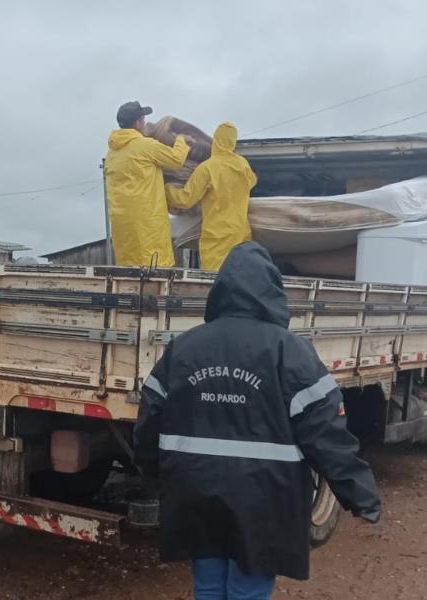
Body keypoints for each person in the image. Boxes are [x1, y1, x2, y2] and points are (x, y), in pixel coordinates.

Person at [133, 241, 380, 600]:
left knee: (208, 583)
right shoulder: (290, 352)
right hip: (265, 497)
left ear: (220, 292)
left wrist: (151, 469)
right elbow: (324, 432)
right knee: (248, 589)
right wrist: (360, 495)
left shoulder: (183, 348)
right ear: (271, 292)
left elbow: (149, 416)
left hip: (196, 488)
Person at [105, 101, 190, 267]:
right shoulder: (145, 146)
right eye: (143, 119)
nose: (144, 123)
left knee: (129, 273)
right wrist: (181, 140)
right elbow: (176, 160)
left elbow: (139, 185)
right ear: (137, 123)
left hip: (123, 226)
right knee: (156, 269)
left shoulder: (112, 154)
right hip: (147, 224)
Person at [165, 122, 256, 271]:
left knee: (215, 282)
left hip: (216, 238)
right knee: (239, 278)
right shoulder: (242, 165)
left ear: (215, 140)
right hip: (241, 234)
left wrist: (167, 188)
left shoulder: (207, 168)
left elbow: (185, 199)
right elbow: (252, 181)